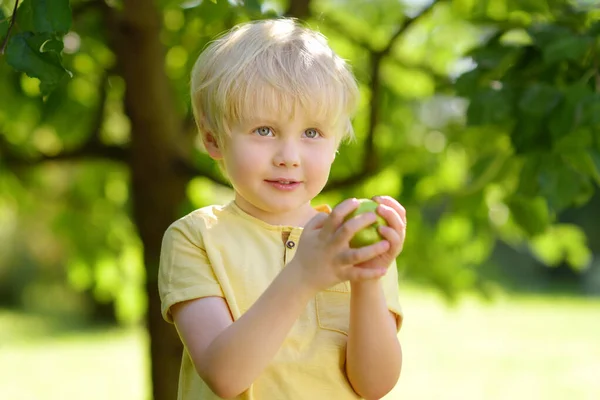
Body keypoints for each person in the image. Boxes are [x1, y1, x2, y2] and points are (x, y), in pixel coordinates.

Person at [158, 18, 407, 400]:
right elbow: (225, 377)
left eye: (311, 133)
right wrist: (304, 275)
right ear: (213, 140)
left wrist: (368, 281)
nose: (289, 157)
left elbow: (374, 385)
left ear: (336, 142)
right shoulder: (195, 238)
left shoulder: (350, 240)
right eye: (264, 131)